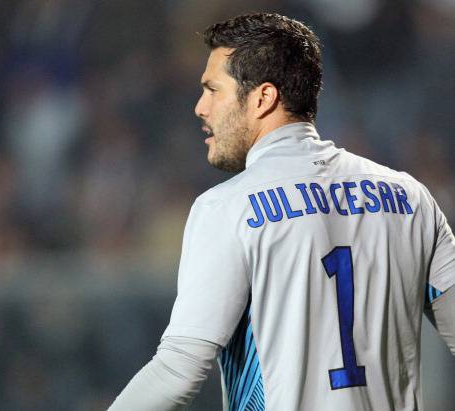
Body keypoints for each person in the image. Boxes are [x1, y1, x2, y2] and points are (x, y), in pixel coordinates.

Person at [109, 12, 455, 411]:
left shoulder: (228, 208)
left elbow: (177, 372)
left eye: (213, 90)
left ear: (263, 98)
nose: (200, 107)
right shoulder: (410, 198)